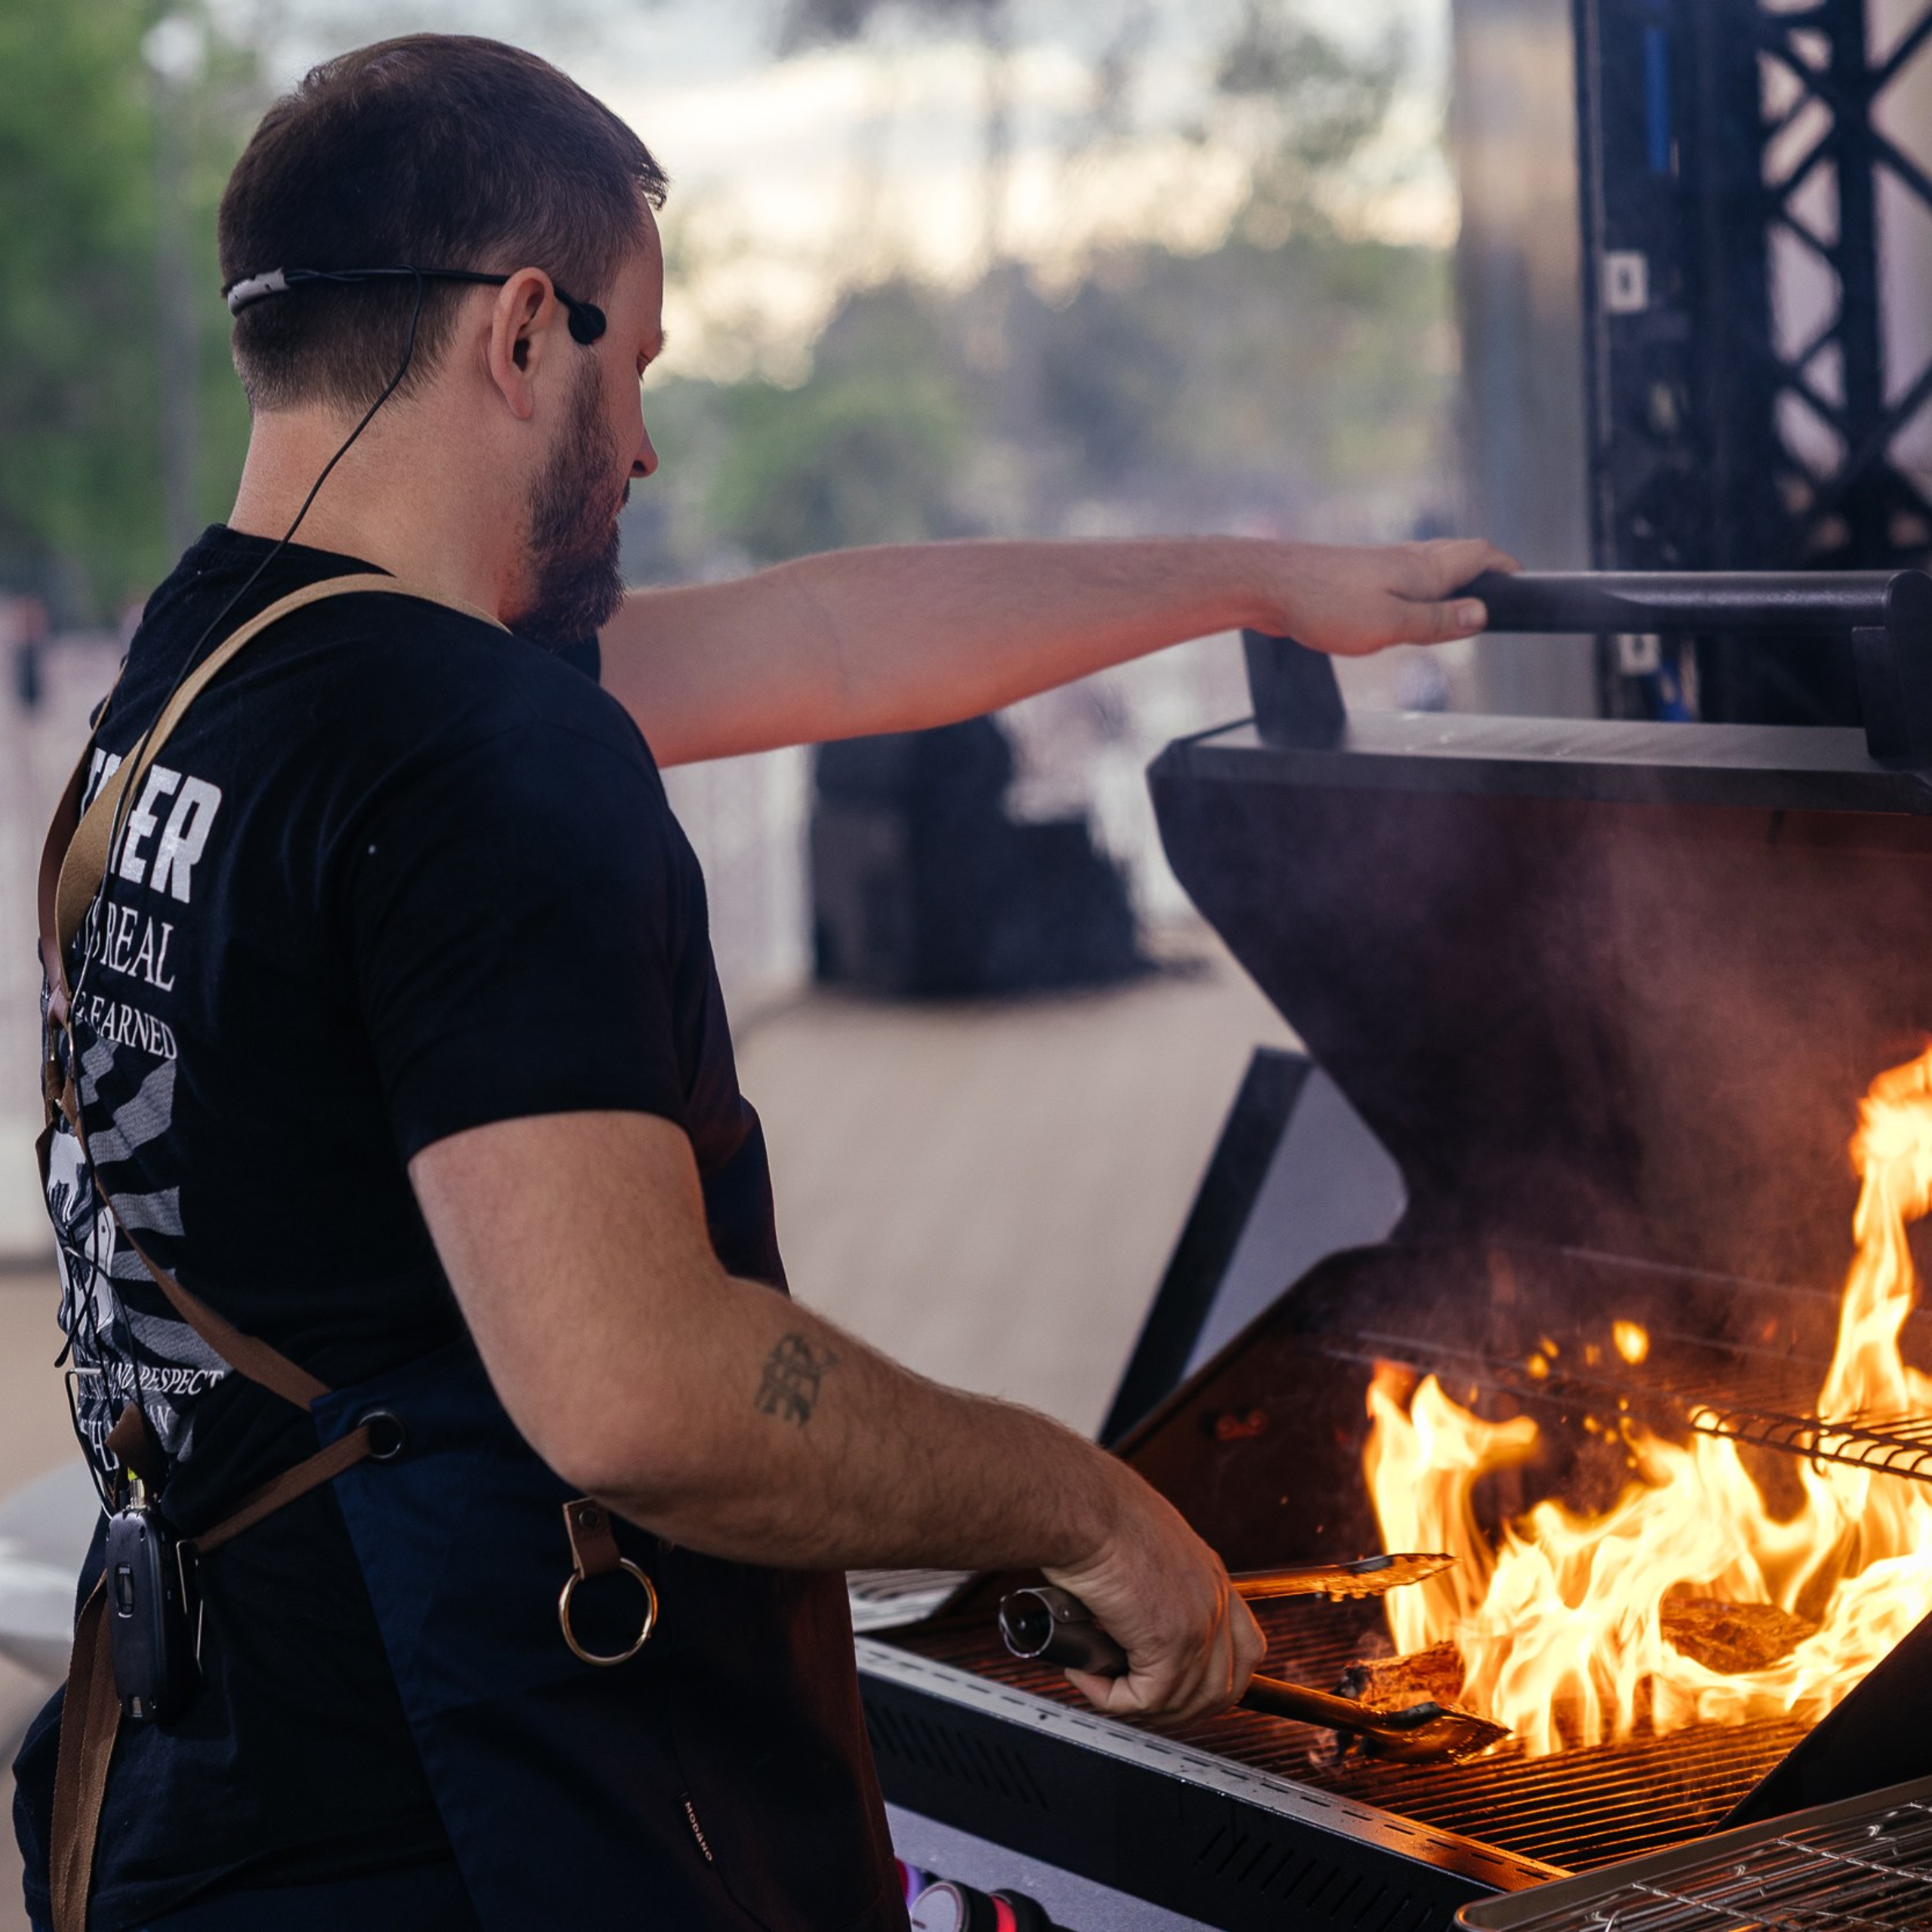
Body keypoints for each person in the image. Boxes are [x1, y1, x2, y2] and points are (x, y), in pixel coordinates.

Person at [16, 33, 1514, 1932]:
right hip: (476, 1823)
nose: (639, 442)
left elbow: (813, 638)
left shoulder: (202, 682)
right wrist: (1074, 1500)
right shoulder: (472, 754)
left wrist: (1258, 581)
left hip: (217, 1787)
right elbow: (637, 1391)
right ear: (522, 329)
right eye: (633, 367)